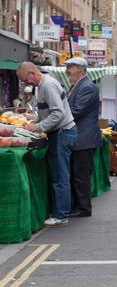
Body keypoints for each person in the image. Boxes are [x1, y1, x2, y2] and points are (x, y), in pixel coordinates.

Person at [17, 62, 77, 226]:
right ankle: (61, 211)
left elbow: (58, 114)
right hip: (60, 133)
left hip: (62, 133)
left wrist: (38, 126)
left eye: (25, 80)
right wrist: (36, 122)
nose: (25, 83)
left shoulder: (47, 85)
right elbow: (48, 113)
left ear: (31, 73)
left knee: (60, 175)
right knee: (60, 174)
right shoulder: (43, 85)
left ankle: (61, 215)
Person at [65, 57, 101, 217]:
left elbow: (76, 111)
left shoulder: (87, 87)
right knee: (78, 174)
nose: (68, 71)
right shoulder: (78, 85)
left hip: (84, 139)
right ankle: (79, 206)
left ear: (79, 69)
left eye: (70, 67)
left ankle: (83, 208)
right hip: (81, 138)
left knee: (81, 175)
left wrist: (57, 117)